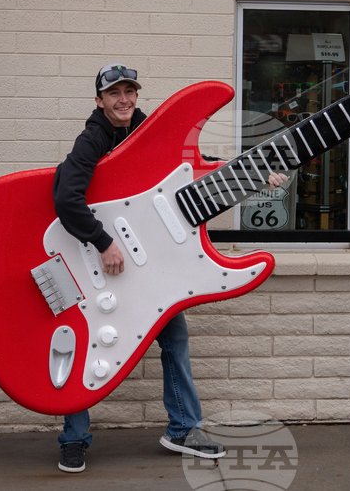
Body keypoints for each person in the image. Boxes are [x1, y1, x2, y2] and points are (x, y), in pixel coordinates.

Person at [53, 63, 287, 473]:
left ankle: (182, 429)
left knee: (175, 340)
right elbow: (67, 199)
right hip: (93, 264)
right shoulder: (91, 139)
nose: (124, 100)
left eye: (130, 92)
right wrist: (104, 242)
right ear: (99, 100)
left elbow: (193, 168)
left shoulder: (149, 132)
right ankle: (73, 439)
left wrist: (256, 175)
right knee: (87, 348)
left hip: (148, 269)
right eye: (114, 94)